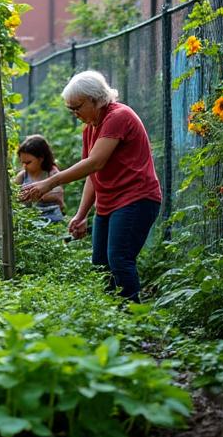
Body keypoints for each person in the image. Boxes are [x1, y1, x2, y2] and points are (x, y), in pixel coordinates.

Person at [19, 70, 162, 301]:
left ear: (96, 99)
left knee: (119, 259)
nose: (74, 113)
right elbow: (92, 173)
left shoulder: (118, 116)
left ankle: (134, 319)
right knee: (100, 264)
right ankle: (112, 316)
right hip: (109, 204)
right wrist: (82, 214)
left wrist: (50, 182)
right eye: (70, 109)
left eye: (77, 107)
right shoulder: (91, 128)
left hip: (136, 198)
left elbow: (96, 162)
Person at [15, 134, 66, 223]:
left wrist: (36, 195)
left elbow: (58, 194)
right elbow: (14, 196)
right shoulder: (22, 176)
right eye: (22, 162)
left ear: (41, 158)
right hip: (30, 222)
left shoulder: (52, 173)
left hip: (53, 222)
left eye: (28, 162)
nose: (24, 166)